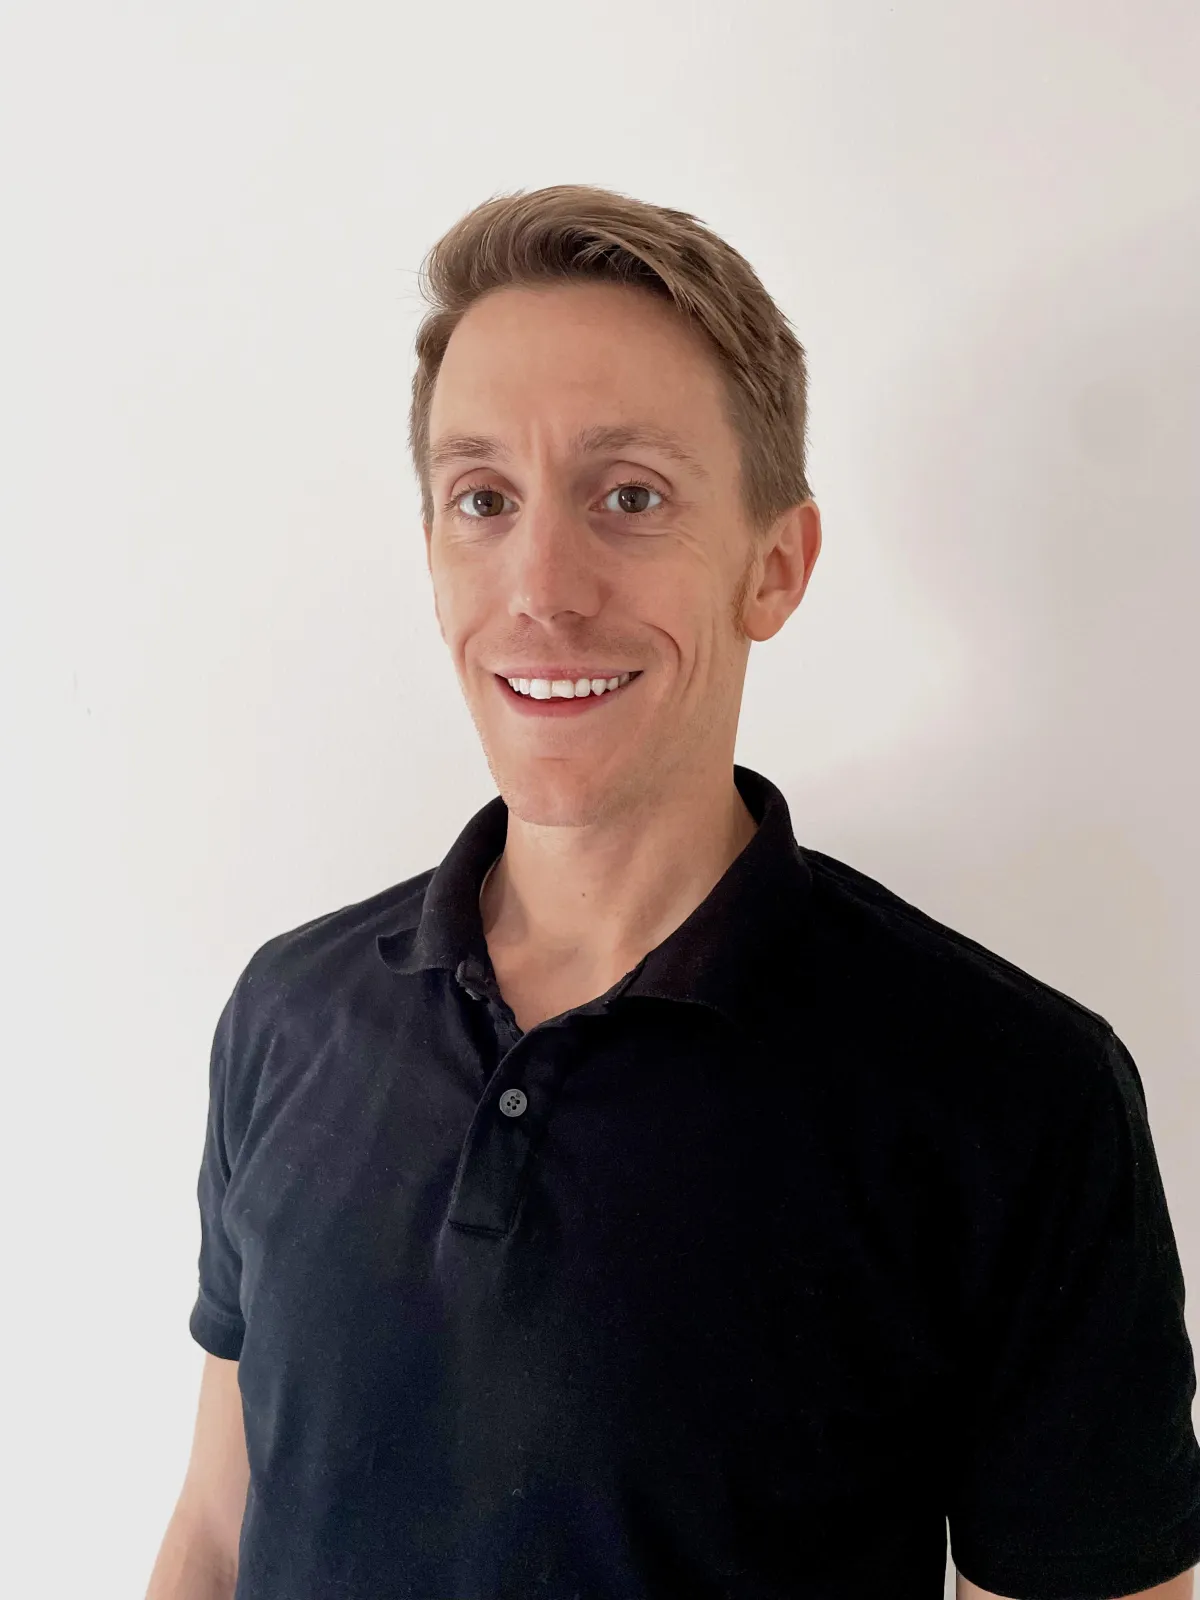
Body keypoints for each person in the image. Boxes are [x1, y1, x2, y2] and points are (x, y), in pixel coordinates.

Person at [146, 184, 1200, 1600]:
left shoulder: (1014, 1093)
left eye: (629, 496)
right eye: (482, 500)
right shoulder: (288, 1015)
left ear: (776, 567)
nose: (541, 587)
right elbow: (217, 1534)